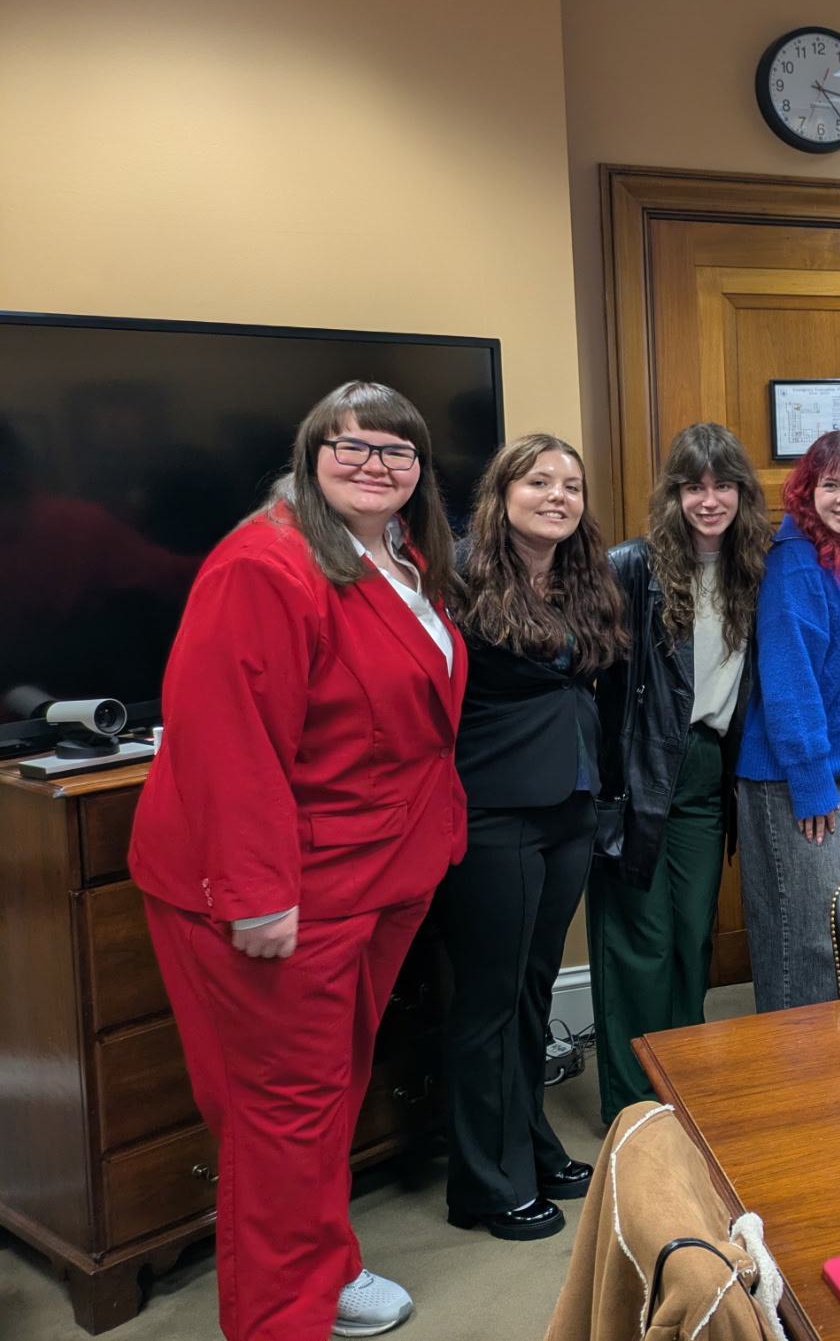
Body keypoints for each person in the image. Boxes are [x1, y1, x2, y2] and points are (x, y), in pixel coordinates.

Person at [128, 380, 465, 1341]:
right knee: (281, 1117)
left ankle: (327, 1267)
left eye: (397, 452)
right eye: (352, 447)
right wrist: (256, 894)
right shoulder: (263, 564)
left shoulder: (399, 555)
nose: (376, 465)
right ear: (310, 454)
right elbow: (225, 743)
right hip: (283, 894)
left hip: (378, 877)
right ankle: (280, 1318)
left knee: (327, 1099)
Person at [439, 435, 628, 1239]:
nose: (558, 495)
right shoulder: (456, 574)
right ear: (501, 490)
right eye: (539, 481)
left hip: (569, 804)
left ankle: (530, 1142)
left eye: (572, 484)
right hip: (494, 810)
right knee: (488, 1000)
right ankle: (483, 1183)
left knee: (532, 992)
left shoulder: (584, 576)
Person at [589, 423, 768, 1123]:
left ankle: (681, 1079)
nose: (709, 499)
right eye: (694, 486)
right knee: (640, 936)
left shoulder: (752, 566)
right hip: (639, 766)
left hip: (706, 768)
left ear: (741, 493)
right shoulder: (631, 566)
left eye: (723, 484)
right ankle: (632, 1102)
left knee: (692, 933)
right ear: (674, 494)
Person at [735, 430, 840, 1011]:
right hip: (794, 777)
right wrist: (809, 781)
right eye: (831, 485)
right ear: (808, 489)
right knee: (804, 940)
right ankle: (795, 1079)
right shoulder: (797, 560)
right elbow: (788, 679)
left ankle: (835, 1068)